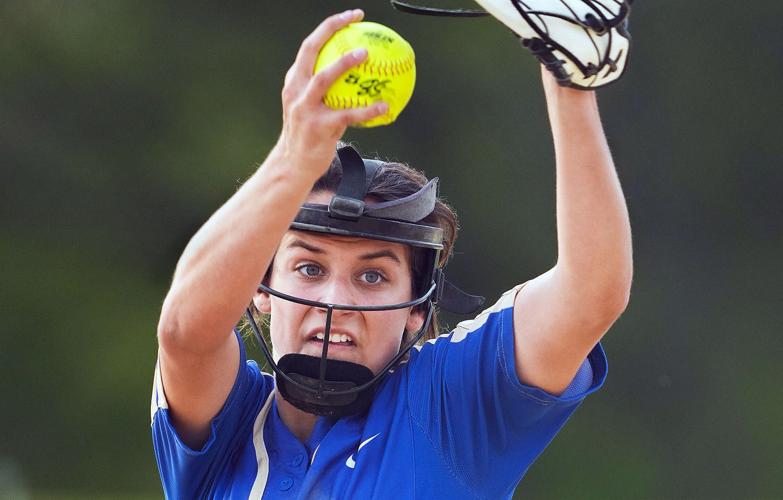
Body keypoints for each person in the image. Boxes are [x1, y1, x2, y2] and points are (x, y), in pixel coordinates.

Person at [151, 8, 633, 499]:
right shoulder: (230, 425)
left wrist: (569, 82)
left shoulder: (447, 408)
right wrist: (294, 158)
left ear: (417, 307)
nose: (335, 300)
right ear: (258, 288)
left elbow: (590, 294)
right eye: (310, 267)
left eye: (373, 277)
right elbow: (183, 331)